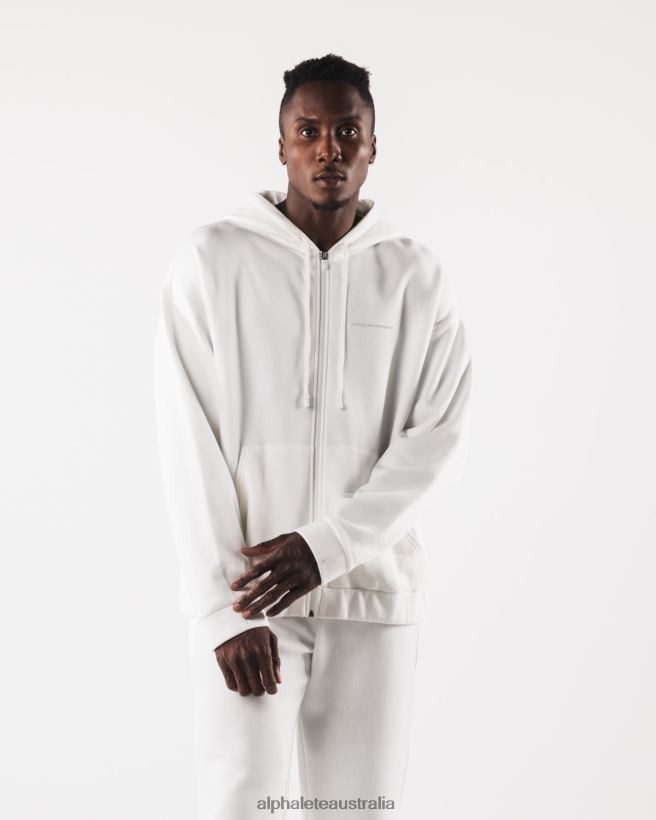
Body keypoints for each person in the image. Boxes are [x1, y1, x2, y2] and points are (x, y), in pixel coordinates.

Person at [154, 52, 473, 820]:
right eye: (309, 131)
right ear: (282, 145)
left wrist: (326, 548)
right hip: (253, 600)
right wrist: (222, 610)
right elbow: (186, 436)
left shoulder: (415, 276)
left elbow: (438, 437)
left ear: (373, 146)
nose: (329, 148)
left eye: (347, 132)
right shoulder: (213, 261)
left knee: (358, 811)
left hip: (373, 600)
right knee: (240, 808)